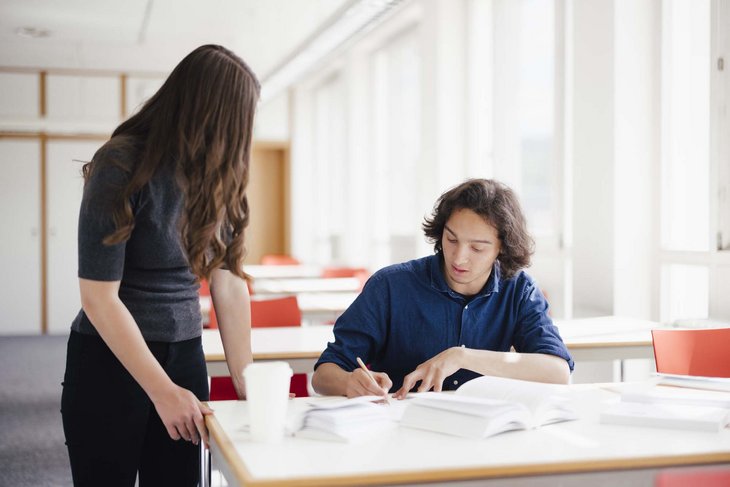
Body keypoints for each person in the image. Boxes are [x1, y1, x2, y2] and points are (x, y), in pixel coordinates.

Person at [60, 45, 259, 486]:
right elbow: (98, 298)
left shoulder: (218, 176)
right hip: (110, 359)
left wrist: (247, 382)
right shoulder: (121, 163)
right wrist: (161, 391)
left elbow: (228, 282)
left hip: (184, 355)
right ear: (205, 113)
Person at [312, 178, 574, 399]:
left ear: (501, 248)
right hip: (401, 435)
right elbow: (323, 374)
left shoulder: (519, 290)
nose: (459, 257)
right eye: (451, 239)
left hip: (484, 438)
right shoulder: (390, 286)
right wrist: (348, 383)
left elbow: (558, 372)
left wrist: (461, 357)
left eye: (477, 248)